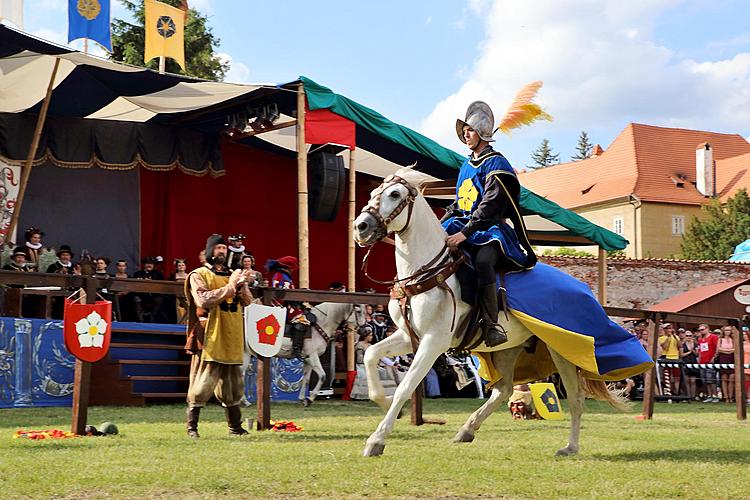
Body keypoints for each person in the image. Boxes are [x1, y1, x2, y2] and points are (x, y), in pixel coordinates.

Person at [442, 101, 537, 347]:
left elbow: (489, 205)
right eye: (464, 130)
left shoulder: (497, 164)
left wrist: (465, 232)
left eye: (470, 130)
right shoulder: (466, 164)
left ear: (483, 134)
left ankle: (492, 324)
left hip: (490, 230)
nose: (465, 134)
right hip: (464, 225)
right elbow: (459, 203)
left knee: (484, 261)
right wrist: (439, 225)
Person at [184, 234, 253, 438]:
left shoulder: (232, 274)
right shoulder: (199, 274)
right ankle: (192, 427)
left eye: (224, 248)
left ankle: (235, 427)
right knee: (202, 382)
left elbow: (248, 301)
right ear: (209, 251)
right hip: (210, 334)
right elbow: (203, 300)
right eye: (218, 248)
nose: (222, 251)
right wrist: (231, 287)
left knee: (233, 384)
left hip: (231, 334)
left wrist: (242, 286)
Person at [350, 326, 373, 400]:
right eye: (370, 335)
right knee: (366, 374)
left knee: (383, 371)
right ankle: (363, 395)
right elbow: (359, 359)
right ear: (365, 336)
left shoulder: (370, 346)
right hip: (362, 365)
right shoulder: (360, 345)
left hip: (370, 364)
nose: (371, 337)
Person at [697, 324, 719, 402]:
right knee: (705, 380)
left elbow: (717, 348)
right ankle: (709, 395)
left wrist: (714, 357)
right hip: (702, 362)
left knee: (711, 379)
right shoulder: (700, 339)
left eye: (702, 329)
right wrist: (699, 360)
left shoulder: (713, 337)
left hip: (710, 361)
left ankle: (715, 396)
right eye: (700, 330)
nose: (701, 331)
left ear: (707, 329)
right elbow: (700, 351)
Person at [658, 323, 681, 395]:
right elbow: (665, 347)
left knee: (677, 377)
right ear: (664, 330)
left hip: (676, 358)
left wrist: (674, 336)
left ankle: (677, 393)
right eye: (667, 328)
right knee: (668, 377)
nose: (669, 330)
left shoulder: (676, 337)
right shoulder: (661, 338)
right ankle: (670, 393)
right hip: (667, 357)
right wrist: (668, 337)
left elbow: (680, 346)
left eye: (670, 328)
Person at [717, 326, 736, 403]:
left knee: (731, 378)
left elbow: (735, 349)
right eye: (726, 330)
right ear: (723, 331)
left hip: (732, 358)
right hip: (723, 358)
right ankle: (726, 397)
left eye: (729, 330)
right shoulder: (720, 339)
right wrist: (728, 351)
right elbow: (718, 349)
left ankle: (731, 396)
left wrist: (728, 351)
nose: (727, 331)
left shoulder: (733, 340)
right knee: (724, 378)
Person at [681, 329, 700, 400]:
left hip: (693, 362)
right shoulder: (682, 345)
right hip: (685, 362)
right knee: (687, 380)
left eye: (690, 335)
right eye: (687, 335)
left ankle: (693, 396)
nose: (688, 337)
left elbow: (697, 354)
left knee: (693, 380)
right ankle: (688, 396)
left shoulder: (695, 344)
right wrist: (689, 352)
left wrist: (693, 351)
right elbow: (681, 355)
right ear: (685, 336)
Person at [171, 259, 189, 324]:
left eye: (183, 265)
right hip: (176, 295)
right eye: (179, 265)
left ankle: (186, 322)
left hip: (186, 294)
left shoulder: (188, 275)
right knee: (178, 308)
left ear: (185, 267)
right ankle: (179, 322)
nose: (181, 266)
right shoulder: (173, 276)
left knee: (187, 308)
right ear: (176, 267)